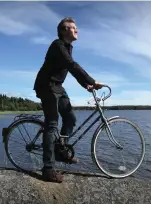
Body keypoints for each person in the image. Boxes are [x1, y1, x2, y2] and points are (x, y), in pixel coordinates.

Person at [33, 17, 103, 183]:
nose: (76, 30)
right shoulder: (57, 45)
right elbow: (72, 65)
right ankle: (48, 170)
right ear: (64, 30)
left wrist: (86, 85)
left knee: (70, 118)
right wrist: (92, 80)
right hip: (46, 86)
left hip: (57, 86)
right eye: (73, 27)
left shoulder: (67, 47)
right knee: (52, 124)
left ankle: (60, 151)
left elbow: (69, 69)